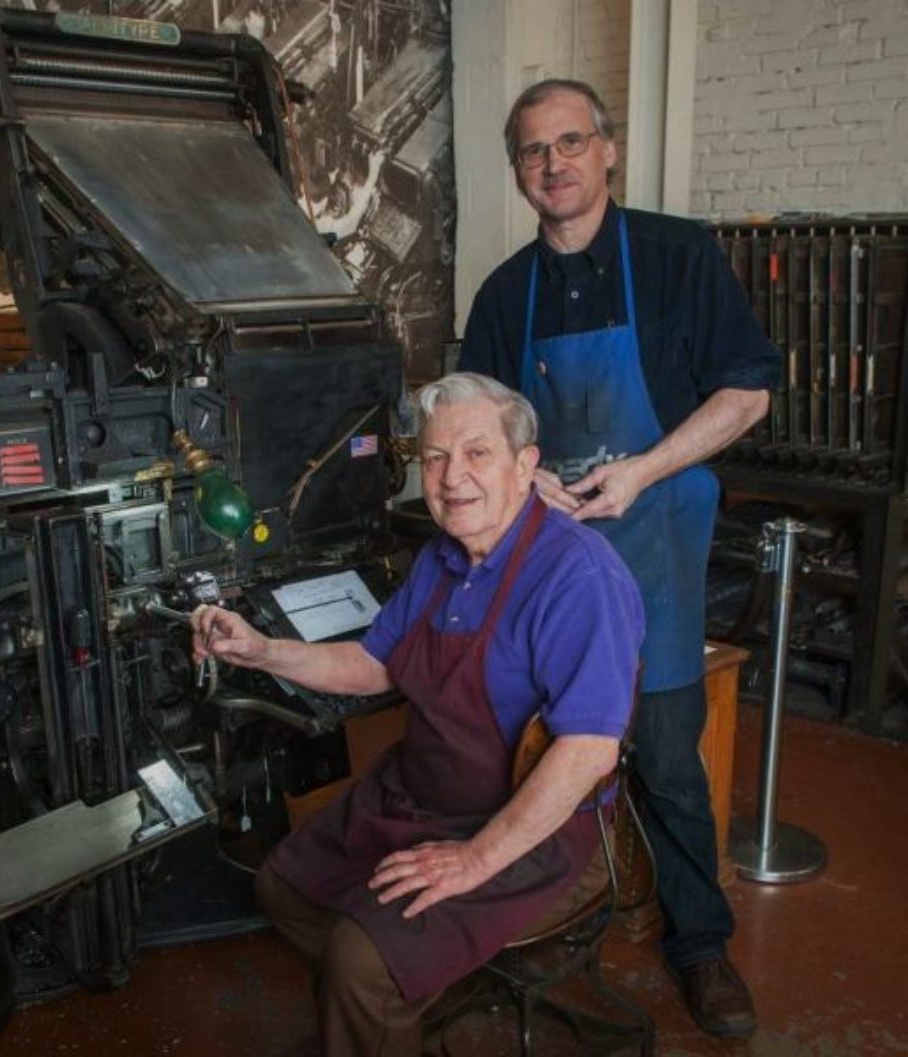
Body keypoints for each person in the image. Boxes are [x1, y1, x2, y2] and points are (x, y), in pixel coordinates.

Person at [458, 79, 782, 1038]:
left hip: (655, 548)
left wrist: (641, 469)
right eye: (531, 151)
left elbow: (748, 392)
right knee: (526, 749)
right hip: (547, 559)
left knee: (669, 761)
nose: (552, 164)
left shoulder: (681, 257)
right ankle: (535, 916)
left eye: (570, 143)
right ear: (516, 171)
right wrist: (522, 482)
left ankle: (700, 943)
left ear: (607, 151)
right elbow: (472, 418)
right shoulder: (504, 292)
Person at [191, 374, 644, 1057]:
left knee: (361, 961)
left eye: (477, 453)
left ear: (527, 465)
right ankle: (388, 1006)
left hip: (530, 829)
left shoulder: (579, 577)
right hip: (420, 794)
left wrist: (473, 860)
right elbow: (376, 663)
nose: (452, 476)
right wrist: (260, 650)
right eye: (434, 457)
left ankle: (376, 994)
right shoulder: (441, 557)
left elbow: (587, 752)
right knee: (283, 887)